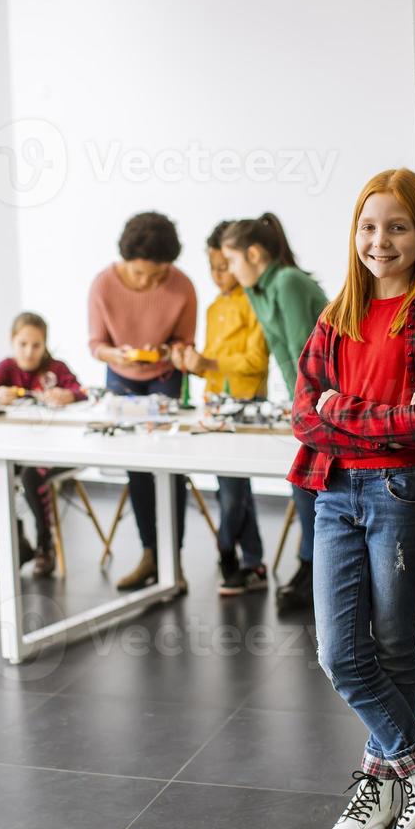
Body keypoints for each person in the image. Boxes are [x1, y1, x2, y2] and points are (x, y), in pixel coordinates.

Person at [288, 168, 415, 829]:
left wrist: (346, 414)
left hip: (402, 494)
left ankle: (381, 790)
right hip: (333, 493)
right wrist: (375, 420)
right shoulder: (337, 313)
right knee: (341, 654)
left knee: (395, 649)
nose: (380, 240)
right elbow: (304, 413)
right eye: (369, 226)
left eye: (397, 226)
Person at [221, 213, 328, 613]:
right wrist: (294, 404)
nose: (229, 270)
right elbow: (281, 354)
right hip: (307, 402)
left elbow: (305, 350)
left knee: (306, 483)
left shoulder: (286, 282)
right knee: (301, 480)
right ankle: (308, 567)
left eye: (232, 260)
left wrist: (305, 405)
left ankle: (310, 568)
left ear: (253, 253)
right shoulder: (257, 290)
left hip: (332, 399)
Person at [88, 211, 196, 594]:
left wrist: (168, 349)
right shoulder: (103, 285)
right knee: (137, 469)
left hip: (166, 378)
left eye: (157, 274)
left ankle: (173, 559)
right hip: (121, 379)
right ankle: (150, 553)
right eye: (139, 275)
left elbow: (185, 342)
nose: (149, 282)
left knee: (172, 469)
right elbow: (96, 344)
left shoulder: (182, 286)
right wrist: (115, 355)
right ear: (124, 260)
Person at [172, 221, 269, 596]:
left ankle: (227, 548)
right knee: (233, 490)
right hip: (214, 407)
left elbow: (255, 362)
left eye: (225, 265)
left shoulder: (254, 301)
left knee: (232, 494)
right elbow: (211, 364)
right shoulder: (213, 309)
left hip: (246, 406)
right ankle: (254, 562)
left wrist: (208, 363)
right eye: (213, 267)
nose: (218, 274)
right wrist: (193, 364)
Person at [0, 311, 87, 578]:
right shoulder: (6, 368)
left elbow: (83, 392)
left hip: (56, 453)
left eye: (36, 345)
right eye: (23, 344)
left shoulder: (57, 369)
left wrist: (68, 396)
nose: (28, 352)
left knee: (31, 476)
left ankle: (44, 545)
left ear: (45, 344)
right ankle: (17, 539)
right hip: (19, 451)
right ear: (12, 341)